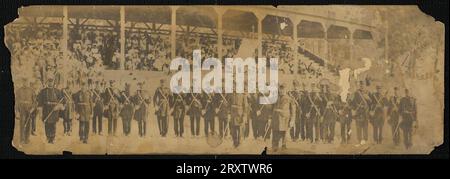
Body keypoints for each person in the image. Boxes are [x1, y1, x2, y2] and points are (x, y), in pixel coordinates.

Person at [37, 78, 63, 144]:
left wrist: (58, 107)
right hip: (46, 110)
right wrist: (40, 112)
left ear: (53, 82)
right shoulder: (43, 91)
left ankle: (53, 138)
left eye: (52, 81)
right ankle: (48, 137)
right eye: (49, 81)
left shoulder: (57, 91)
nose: (50, 83)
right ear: (47, 82)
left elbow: (62, 101)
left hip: (54, 110)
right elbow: (40, 102)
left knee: (53, 124)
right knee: (47, 124)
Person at [271, 83, 296, 151]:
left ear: (286, 89)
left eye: (283, 89)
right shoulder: (276, 98)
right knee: (275, 132)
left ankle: (283, 145)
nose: (281, 91)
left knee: (284, 132)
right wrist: (270, 117)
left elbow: (293, 110)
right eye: (280, 89)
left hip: (285, 118)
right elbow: (272, 108)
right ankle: (275, 146)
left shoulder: (290, 98)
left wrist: (292, 120)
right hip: (276, 118)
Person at [15, 78, 36, 144]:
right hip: (22, 110)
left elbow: (35, 101)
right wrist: (17, 111)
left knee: (28, 124)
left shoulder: (31, 90)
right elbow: (16, 101)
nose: (25, 83)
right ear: (22, 82)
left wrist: (32, 108)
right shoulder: (19, 91)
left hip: (29, 110)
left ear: (28, 82)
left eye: (26, 81)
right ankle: (22, 139)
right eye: (24, 82)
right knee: (22, 124)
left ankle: (27, 139)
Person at [351, 81, 371, 145]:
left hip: (365, 112)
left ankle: (365, 139)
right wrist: (357, 106)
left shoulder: (367, 93)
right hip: (359, 112)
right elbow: (353, 102)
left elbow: (371, 103)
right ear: (359, 86)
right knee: (358, 127)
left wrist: (368, 99)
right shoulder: (356, 93)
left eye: (363, 85)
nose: (362, 86)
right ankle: (359, 140)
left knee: (365, 126)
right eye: (360, 85)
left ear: (364, 85)